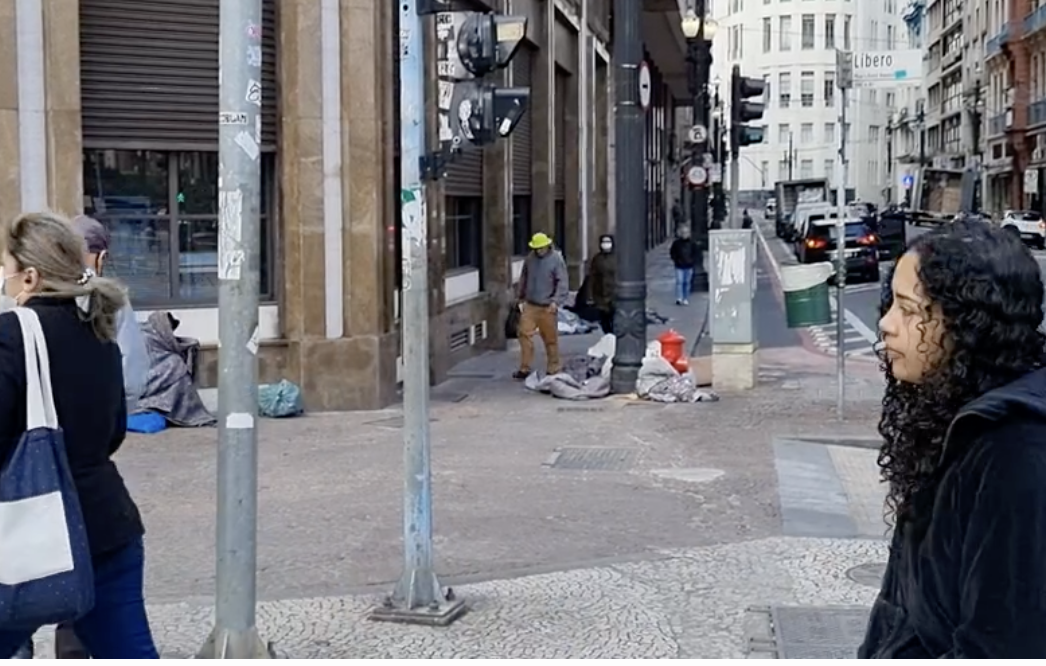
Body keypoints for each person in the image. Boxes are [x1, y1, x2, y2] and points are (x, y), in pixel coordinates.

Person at [860, 218, 1046, 658]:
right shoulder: (953, 412)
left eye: (908, 310)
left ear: (967, 324)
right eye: (891, 305)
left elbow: (1003, 642)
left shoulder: (1016, 448)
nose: (886, 324)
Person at [0, 212, 158, 659]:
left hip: (28, 534)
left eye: (5, 270)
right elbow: (112, 432)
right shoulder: (100, 330)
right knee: (129, 651)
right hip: (107, 525)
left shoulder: (11, 334)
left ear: (30, 276)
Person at [513, 232, 568, 379]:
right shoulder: (530, 259)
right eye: (536, 249)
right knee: (524, 334)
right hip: (531, 304)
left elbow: (562, 281)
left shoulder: (556, 259)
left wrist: (556, 301)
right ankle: (524, 367)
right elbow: (524, 277)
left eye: (541, 248)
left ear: (547, 246)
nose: (539, 251)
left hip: (547, 305)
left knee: (550, 339)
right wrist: (520, 298)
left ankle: (553, 367)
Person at [586, 234, 616, 334]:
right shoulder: (597, 259)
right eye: (604, 242)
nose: (606, 245)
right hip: (600, 295)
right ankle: (608, 337)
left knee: (614, 319)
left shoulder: (617, 258)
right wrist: (590, 296)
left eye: (608, 242)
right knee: (604, 320)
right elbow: (592, 277)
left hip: (614, 295)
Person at [669, 227, 700, 305]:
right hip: (679, 265)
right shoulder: (676, 243)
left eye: (686, 233)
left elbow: (696, 253)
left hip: (689, 265)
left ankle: (685, 298)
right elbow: (672, 252)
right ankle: (679, 298)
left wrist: (693, 261)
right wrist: (676, 260)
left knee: (687, 282)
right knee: (680, 282)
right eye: (683, 232)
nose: (684, 234)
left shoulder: (692, 243)